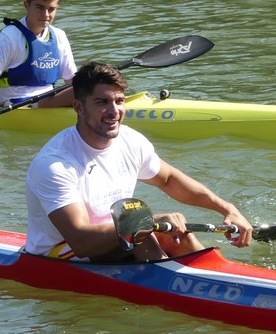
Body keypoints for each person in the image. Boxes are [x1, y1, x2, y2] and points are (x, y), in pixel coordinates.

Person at [25, 61, 253, 263]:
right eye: (102, 102)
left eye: (119, 101)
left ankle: (215, 275)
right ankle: (182, 288)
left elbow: (169, 179)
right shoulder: (55, 165)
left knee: (176, 233)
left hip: (117, 237)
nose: (114, 111)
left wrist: (227, 209)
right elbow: (81, 240)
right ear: (79, 107)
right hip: (61, 252)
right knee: (143, 235)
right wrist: (148, 223)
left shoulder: (129, 140)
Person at [0, 0, 77, 125]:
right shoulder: (9, 37)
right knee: (87, 90)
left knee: (91, 84)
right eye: (40, 7)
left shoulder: (59, 35)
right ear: (26, 5)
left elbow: (72, 81)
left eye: (51, 9)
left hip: (49, 97)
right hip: (18, 103)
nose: (46, 15)